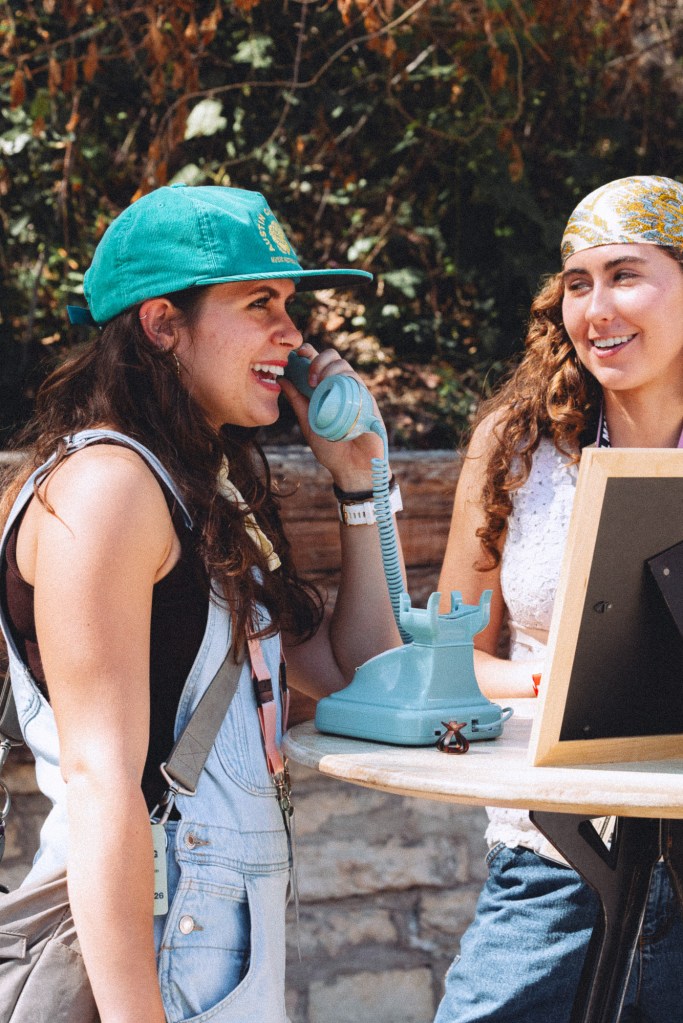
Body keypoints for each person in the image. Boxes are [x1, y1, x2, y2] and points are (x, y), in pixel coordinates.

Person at [0, 184, 402, 1023]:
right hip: (156, 947)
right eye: (259, 304)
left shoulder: (198, 488)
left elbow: (354, 673)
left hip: (214, 939)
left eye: (289, 304)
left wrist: (357, 484)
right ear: (162, 324)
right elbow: (101, 778)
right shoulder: (107, 489)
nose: (293, 335)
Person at [434, 175, 683, 1023]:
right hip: (552, 855)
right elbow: (450, 657)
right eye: (578, 284)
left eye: (625, 275)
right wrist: (562, 684)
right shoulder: (513, 447)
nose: (596, 309)